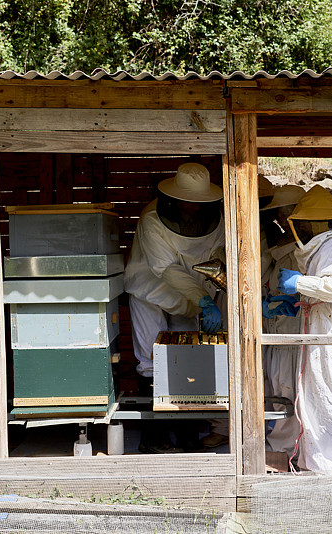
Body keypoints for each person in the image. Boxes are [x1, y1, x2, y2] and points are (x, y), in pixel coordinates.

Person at [124, 162, 226, 453]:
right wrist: (204, 300)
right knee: (151, 360)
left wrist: (215, 294)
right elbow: (166, 269)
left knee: (188, 358)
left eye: (199, 201)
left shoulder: (215, 219)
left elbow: (218, 257)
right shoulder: (152, 220)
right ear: (174, 197)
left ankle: (187, 435)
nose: (194, 206)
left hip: (190, 298)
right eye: (188, 200)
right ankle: (153, 439)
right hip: (149, 292)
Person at [276, 185, 332, 472]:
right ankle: (315, 462)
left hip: (331, 329)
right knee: (314, 398)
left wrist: (300, 283)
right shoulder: (324, 246)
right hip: (320, 323)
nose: (301, 229)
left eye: (305, 223)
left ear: (318, 222)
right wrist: (298, 300)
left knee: (329, 398)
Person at [259, 185, 305, 458]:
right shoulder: (278, 244)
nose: (281, 219)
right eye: (279, 213)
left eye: (287, 213)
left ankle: (287, 449)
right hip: (276, 329)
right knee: (276, 383)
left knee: (288, 387)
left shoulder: (303, 249)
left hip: (293, 331)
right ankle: (279, 444)